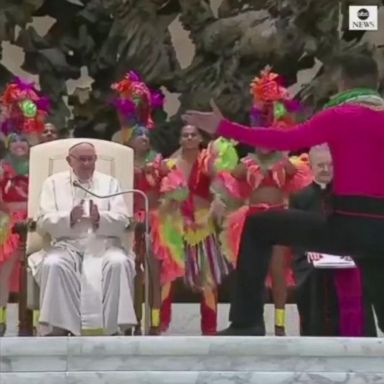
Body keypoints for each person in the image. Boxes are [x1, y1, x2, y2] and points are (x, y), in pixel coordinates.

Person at [183, 52, 384, 335]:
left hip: (345, 227)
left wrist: (223, 127)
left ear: (342, 82)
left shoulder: (339, 115)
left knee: (258, 226)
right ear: (376, 82)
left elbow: (284, 139)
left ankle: (247, 322)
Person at [209, 67, 312, 335]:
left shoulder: (285, 163)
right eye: (260, 141)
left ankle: (280, 324)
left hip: (278, 219)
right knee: (250, 273)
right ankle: (253, 321)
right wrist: (218, 198)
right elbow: (230, 187)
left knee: (278, 272)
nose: (264, 146)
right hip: (252, 220)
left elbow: (301, 184)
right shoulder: (247, 164)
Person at [31, 142, 136, 336]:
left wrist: (99, 218)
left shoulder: (110, 183)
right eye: (82, 159)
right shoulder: (52, 183)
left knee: (119, 262)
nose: (87, 164)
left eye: (91, 159)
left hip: (104, 245)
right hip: (66, 246)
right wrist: (69, 217)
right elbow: (43, 221)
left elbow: (122, 220)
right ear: (69, 161)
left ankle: (112, 329)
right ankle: (60, 328)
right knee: (53, 264)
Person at [148, 124, 234, 335]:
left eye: (193, 134)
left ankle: (210, 329)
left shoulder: (207, 161)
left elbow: (219, 182)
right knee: (168, 277)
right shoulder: (170, 165)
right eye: (185, 135)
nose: (188, 138)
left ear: (199, 138)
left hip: (203, 226)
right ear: (180, 139)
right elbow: (163, 197)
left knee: (208, 280)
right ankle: (159, 324)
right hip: (176, 227)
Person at [290, 144, 376, 337]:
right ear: (311, 167)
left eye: (330, 164)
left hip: (350, 259)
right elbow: (297, 238)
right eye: (320, 165)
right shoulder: (300, 199)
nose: (326, 169)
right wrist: (309, 256)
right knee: (314, 282)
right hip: (314, 266)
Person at [111, 71, 163, 335]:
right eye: (138, 134)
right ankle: (127, 319)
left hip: (154, 220)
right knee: (128, 269)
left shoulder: (159, 162)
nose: (144, 137)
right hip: (127, 220)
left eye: (146, 134)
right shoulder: (118, 160)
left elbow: (172, 191)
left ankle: (154, 322)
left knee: (153, 271)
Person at [0, 77, 48, 336]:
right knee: (4, 272)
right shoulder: (3, 167)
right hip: (7, 223)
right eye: (14, 140)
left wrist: (29, 108)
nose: (20, 144)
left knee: (36, 269)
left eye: (23, 141)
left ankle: (36, 319)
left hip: (34, 220)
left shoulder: (37, 164)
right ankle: (1, 319)